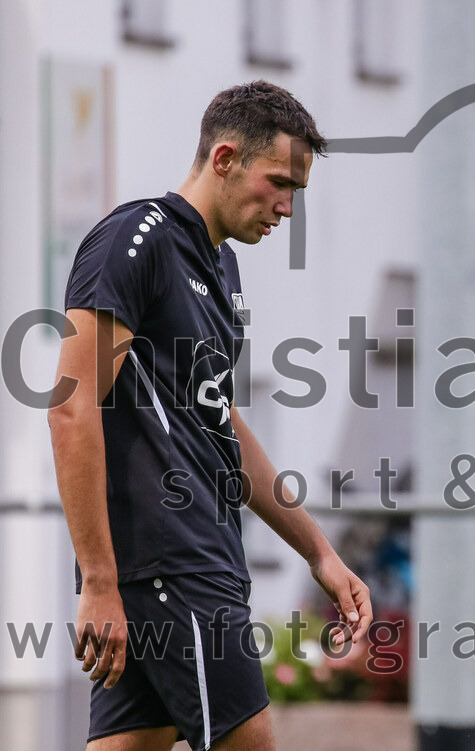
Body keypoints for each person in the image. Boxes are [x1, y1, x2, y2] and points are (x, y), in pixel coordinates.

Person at [47, 80, 372, 751]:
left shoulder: (222, 268)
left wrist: (319, 552)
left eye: (297, 192)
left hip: (185, 562)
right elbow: (70, 408)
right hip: (170, 564)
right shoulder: (134, 240)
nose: (285, 206)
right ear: (224, 159)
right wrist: (99, 581)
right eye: (278, 182)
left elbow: (219, 423)